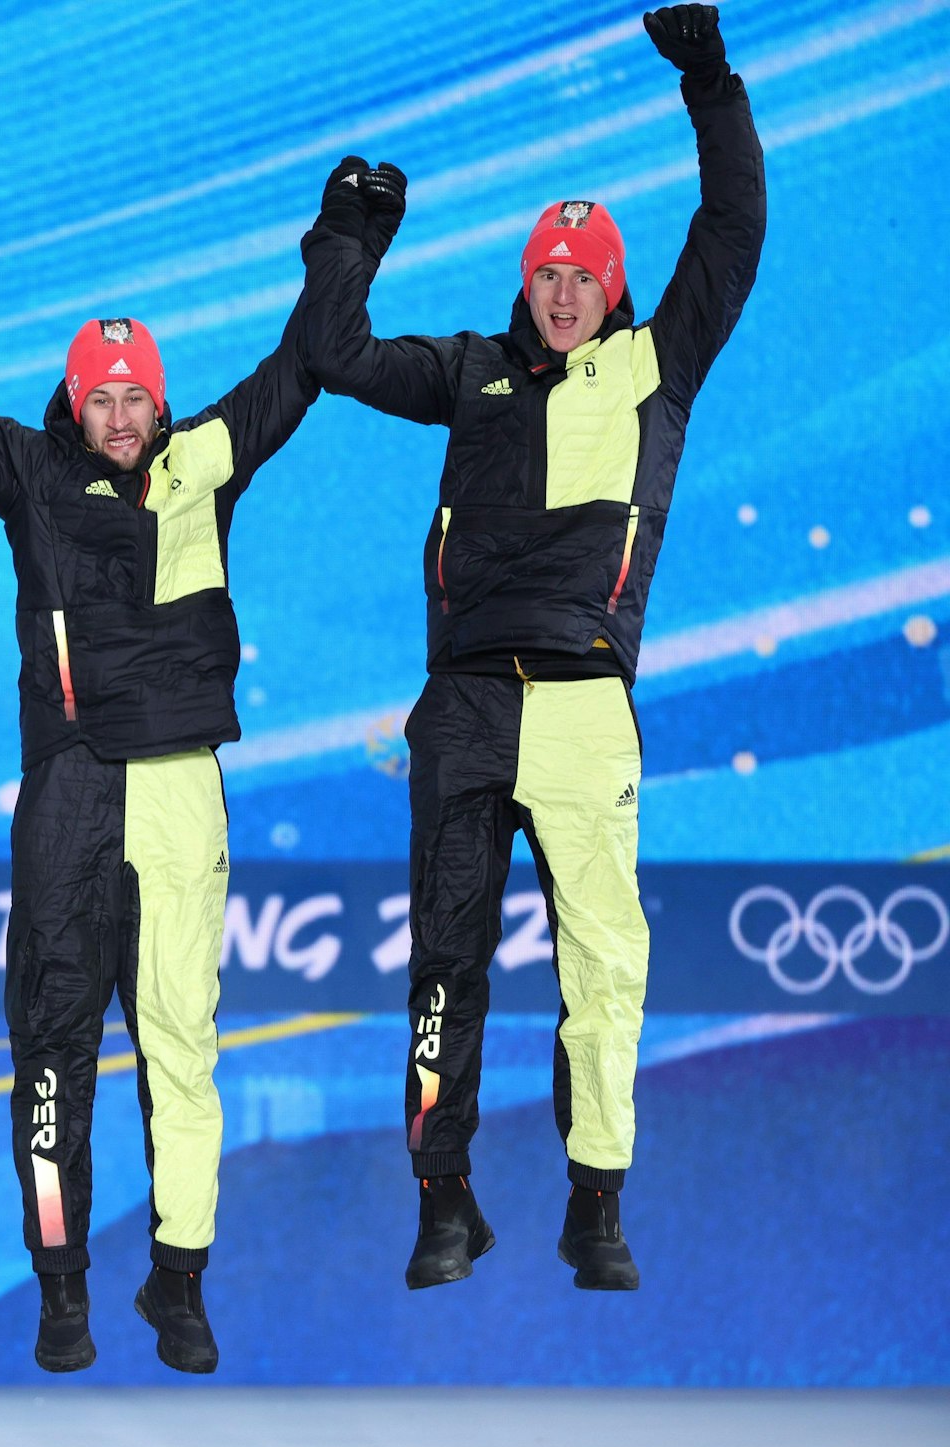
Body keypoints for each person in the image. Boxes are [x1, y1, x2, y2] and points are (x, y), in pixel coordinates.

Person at [297, 3, 764, 1292]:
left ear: (609, 289)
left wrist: (708, 86)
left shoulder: (653, 370)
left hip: (580, 708)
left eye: (583, 277)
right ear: (526, 282)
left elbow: (730, 233)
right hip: (459, 708)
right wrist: (347, 238)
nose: (562, 294)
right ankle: (442, 1201)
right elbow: (333, 353)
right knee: (444, 959)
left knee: (604, 963)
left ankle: (594, 1205)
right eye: (545, 275)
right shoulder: (468, 372)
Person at [0, 253, 321, 1373]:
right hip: (69, 785)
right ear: (73, 403)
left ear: (160, 402)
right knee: (53, 1045)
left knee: (179, 1045)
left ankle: (179, 1281)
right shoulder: (29, 472)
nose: (117, 415)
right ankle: (63, 1292)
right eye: (97, 396)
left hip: (181, 788)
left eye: (134, 396)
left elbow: (297, 369)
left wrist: (341, 247)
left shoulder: (204, 461)